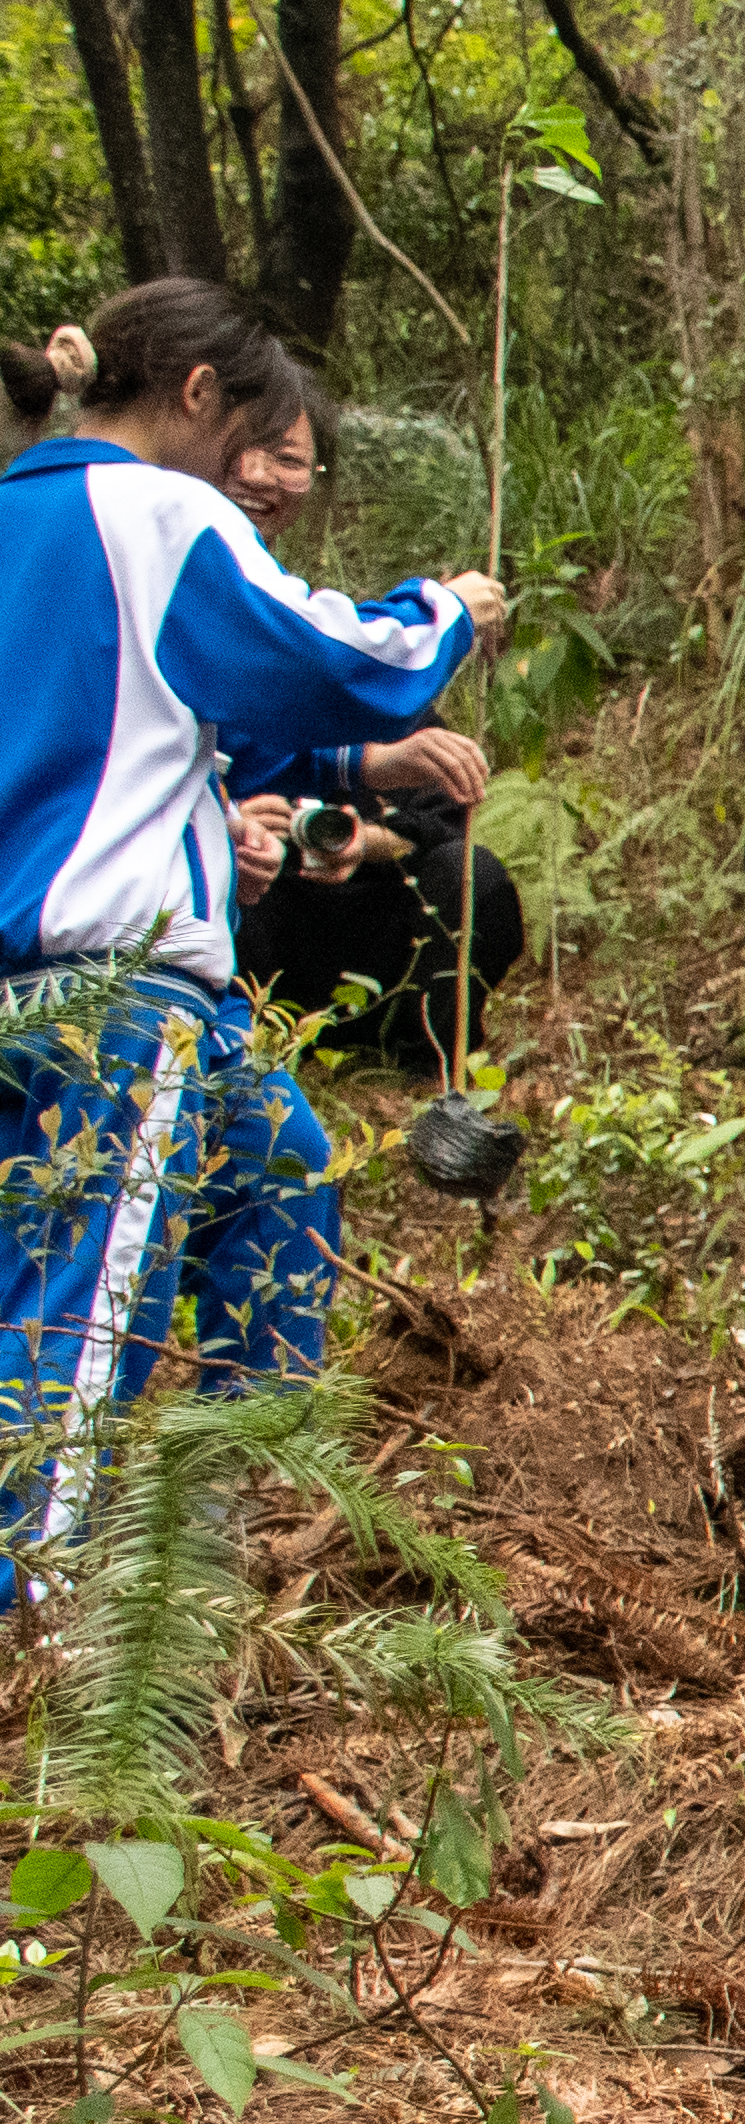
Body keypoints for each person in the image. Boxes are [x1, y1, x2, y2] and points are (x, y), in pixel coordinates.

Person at [0, 288, 499, 1557]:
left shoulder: (23, 517)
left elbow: (171, 710)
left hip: (70, 983)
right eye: (252, 436)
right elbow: (321, 653)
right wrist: (444, 614)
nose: (252, 473)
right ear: (196, 395)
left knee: (279, 1173)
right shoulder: (157, 511)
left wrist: (354, 773)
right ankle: (38, 1624)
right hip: (113, 987)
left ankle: (215, 1540)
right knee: (85, 1308)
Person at [214, 397, 522, 1081]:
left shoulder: (393, 703)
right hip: (255, 932)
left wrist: (364, 838)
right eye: (248, 452)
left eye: (292, 459)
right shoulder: (228, 632)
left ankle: (426, 1051)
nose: (263, 476)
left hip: (374, 936)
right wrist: (234, 823)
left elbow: (442, 831)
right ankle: (250, 1056)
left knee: (477, 879)